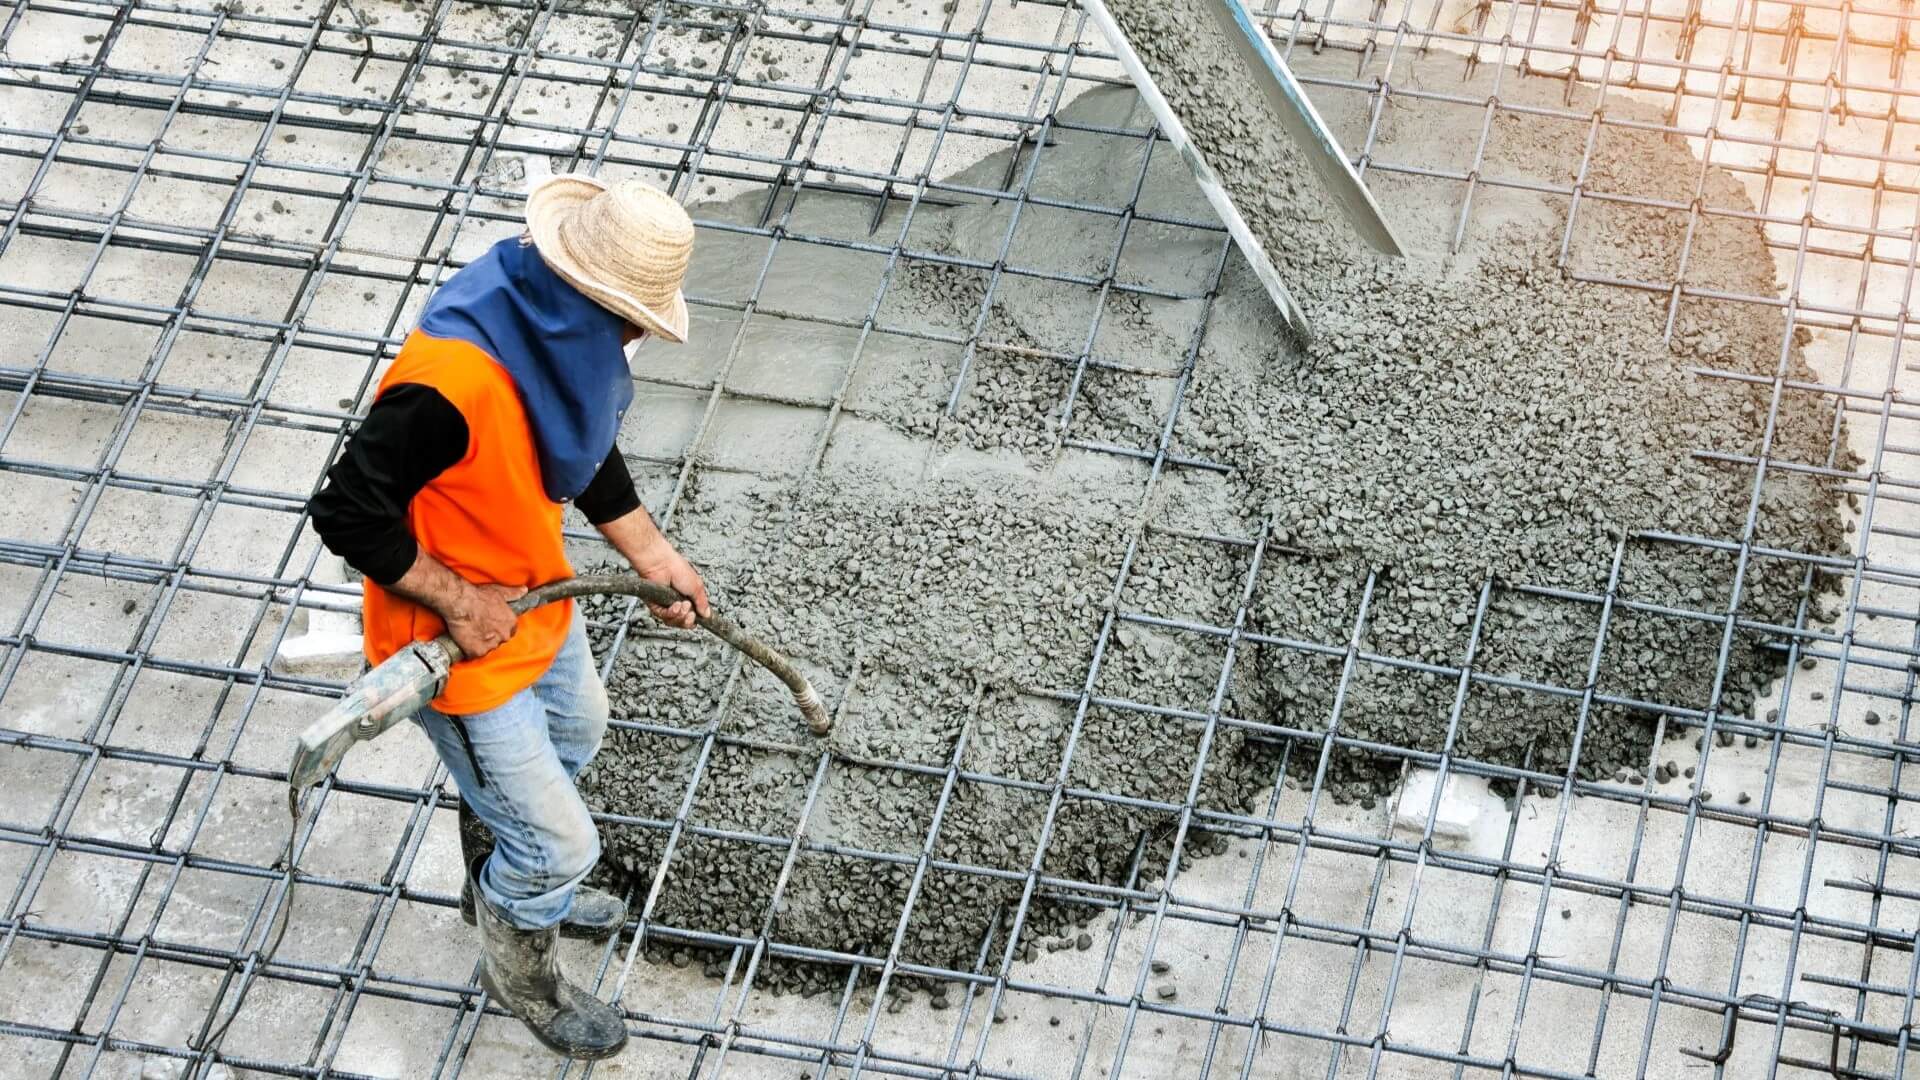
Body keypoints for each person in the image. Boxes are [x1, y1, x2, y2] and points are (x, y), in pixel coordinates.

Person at [308, 174, 710, 1061]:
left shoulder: (549, 331)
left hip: (529, 594)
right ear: (588, 292)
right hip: (450, 638)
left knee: (578, 728)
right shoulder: (450, 384)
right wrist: (457, 599)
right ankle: (523, 967)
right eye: (632, 315)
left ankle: (506, 881)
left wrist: (653, 557)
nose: (641, 331)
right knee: (561, 842)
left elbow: (583, 445)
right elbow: (344, 512)